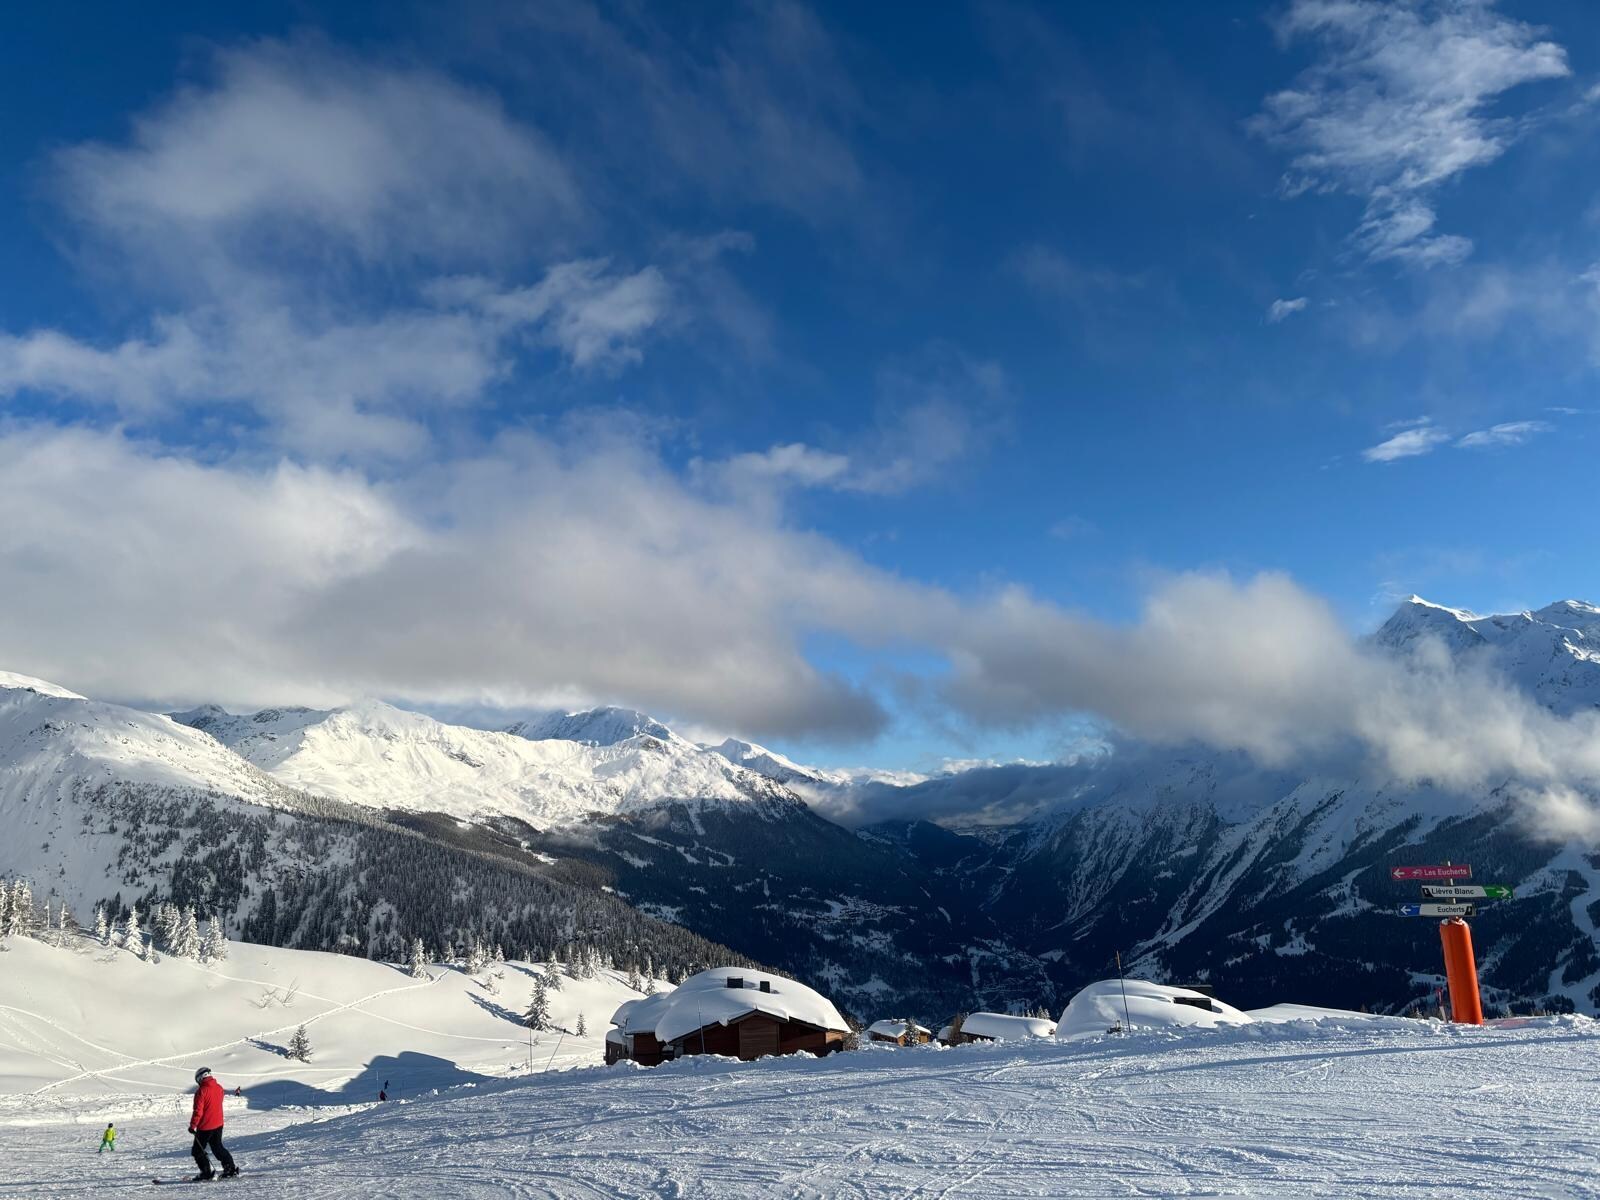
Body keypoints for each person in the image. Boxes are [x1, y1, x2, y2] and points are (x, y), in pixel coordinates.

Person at [188, 1067, 238, 1181]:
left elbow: (198, 1111)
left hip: (205, 1126)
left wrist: (192, 1126)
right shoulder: (219, 1087)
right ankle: (230, 1168)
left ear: (200, 1077)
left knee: (197, 1150)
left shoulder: (201, 1091)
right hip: (218, 1124)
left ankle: (206, 1173)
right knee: (218, 1147)